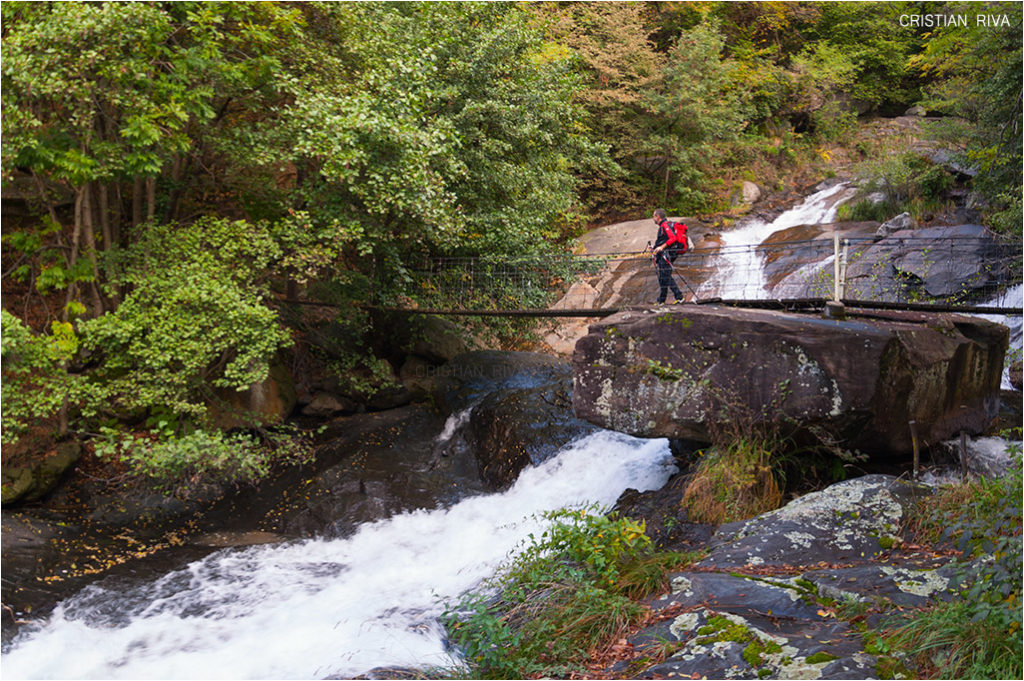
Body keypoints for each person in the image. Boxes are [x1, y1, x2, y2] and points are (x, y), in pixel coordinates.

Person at [651, 208, 686, 304]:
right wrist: (655, 248)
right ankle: (661, 300)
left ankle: (679, 297)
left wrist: (661, 247)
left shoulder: (665, 225)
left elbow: (673, 238)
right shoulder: (663, 226)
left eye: (653, 216)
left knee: (665, 276)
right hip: (665, 254)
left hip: (666, 255)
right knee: (663, 277)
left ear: (657, 217)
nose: (653, 218)